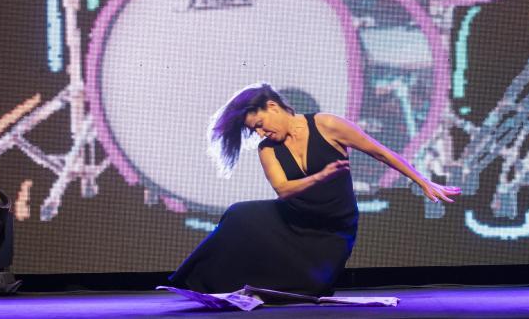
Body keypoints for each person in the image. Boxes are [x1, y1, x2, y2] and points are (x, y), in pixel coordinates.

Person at [169, 83, 460, 296]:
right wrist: (320, 176)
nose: (260, 132)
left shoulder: (327, 124)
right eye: (254, 130)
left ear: (273, 106)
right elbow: (283, 189)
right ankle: (198, 283)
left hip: (332, 226)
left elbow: (381, 152)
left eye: (259, 124)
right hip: (292, 219)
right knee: (239, 215)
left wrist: (423, 181)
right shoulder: (267, 149)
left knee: (311, 287)